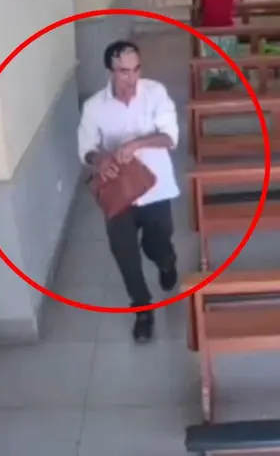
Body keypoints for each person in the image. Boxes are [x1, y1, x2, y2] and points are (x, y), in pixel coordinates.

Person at [77, 40, 181, 343]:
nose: (131, 79)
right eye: (124, 72)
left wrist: (137, 143)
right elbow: (85, 149)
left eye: (136, 70)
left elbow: (170, 137)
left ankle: (166, 260)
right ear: (111, 70)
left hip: (156, 187)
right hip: (119, 194)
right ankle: (142, 309)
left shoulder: (155, 93)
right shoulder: (94, 106)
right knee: (125, 255)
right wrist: (100, 161)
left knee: (157, 243)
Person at [199, 0, 240, 89]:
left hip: (208, 31)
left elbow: (201, 12)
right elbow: (234, 10)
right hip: (227, 30)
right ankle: (229, 76)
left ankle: (211, 76)